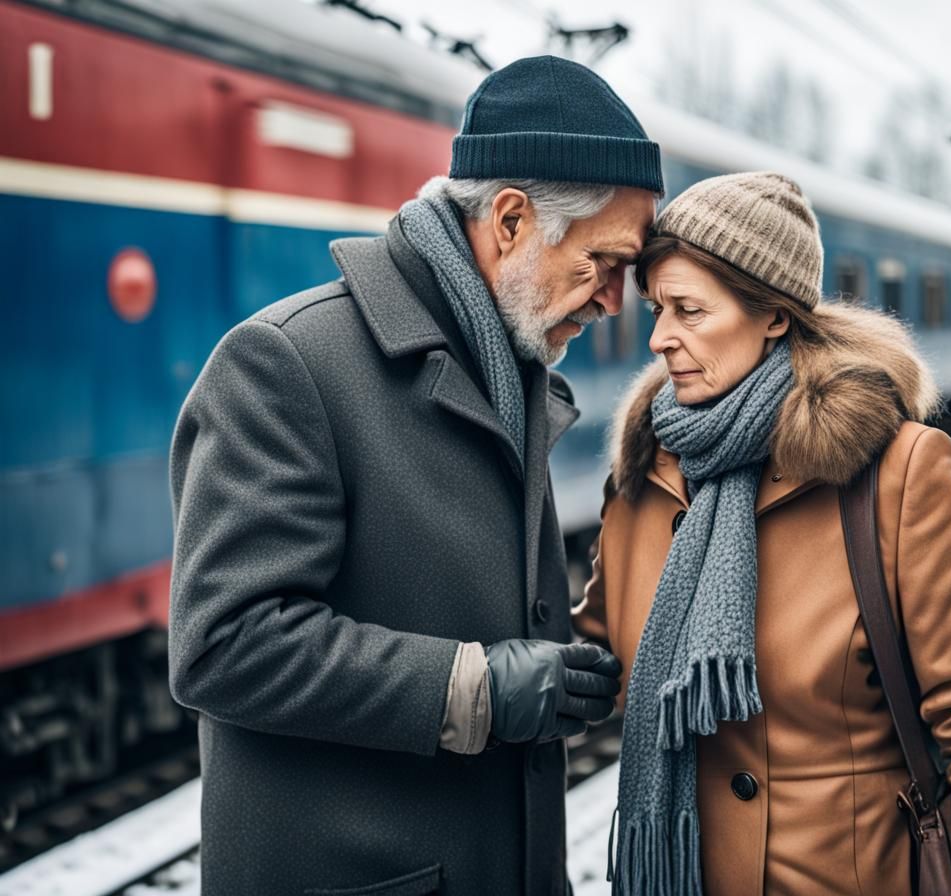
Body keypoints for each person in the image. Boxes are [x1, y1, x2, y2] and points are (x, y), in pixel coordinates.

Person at [168, 56, 661, 896]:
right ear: (509, 221)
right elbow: (225, 643)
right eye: (603, 263)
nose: (616, 301)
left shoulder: (509, 366)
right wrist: (479, 687)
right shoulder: (287, 363)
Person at [573, 172, 951, 895]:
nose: (658, 339)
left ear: (773, 316)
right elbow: (599, 656)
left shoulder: (897, 474)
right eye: (656, 309)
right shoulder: (647, 473)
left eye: (688, 310)